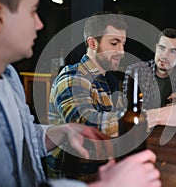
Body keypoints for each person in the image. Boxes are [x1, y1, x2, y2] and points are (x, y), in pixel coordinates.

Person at [0, 0, 162, 187]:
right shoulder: (73, 77)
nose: (40, 24)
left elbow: (25, 137)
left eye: (123, 44)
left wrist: (64, 131)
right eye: (33, 11)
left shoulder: (9, 76)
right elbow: (91, 123)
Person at [47, 11, 128, 181]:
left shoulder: (109, 81)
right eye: (114, 43)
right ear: (92, 43)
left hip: (101, 169)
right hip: (75, 178)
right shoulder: (73, 77)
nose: (121, 51)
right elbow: (87, 127)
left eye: (123, 44)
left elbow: (119, 128)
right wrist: (150, 117)